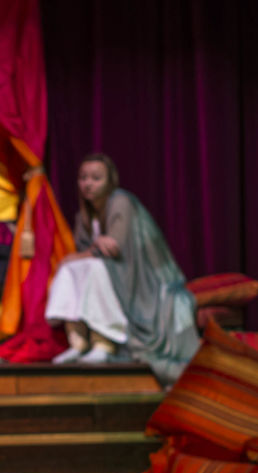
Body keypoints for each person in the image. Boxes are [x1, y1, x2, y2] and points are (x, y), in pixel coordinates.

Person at [45, 153, 199, 384]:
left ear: (109, 181)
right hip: (111, 270)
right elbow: (91, 252)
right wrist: (89, 250)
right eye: (83, 177)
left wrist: (91, 251)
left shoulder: (121, 201)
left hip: (138, 276)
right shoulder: (84, 216)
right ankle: (78, 341)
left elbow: (114, 248)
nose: (88, 183)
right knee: (71, 270)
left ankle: (103, 341)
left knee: (93, 268)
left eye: (96, 178)